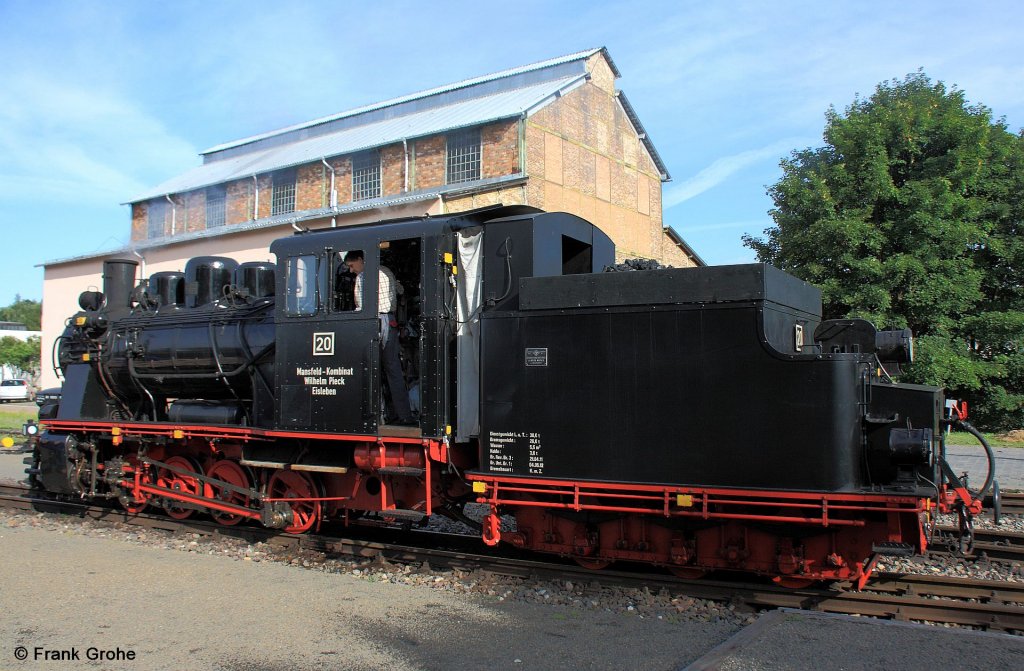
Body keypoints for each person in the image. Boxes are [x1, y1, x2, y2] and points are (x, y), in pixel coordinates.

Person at [343, 250, 415, 426]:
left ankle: (378, 417)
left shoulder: (362, 277)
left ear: (360, 259)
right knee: (394, 370)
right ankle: (404, 415)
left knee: (371, 370)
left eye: (352, 265)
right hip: (390, 322)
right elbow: (400, 290)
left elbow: (360, 307)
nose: (351, 270)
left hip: (373, 323)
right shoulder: (386, 270)